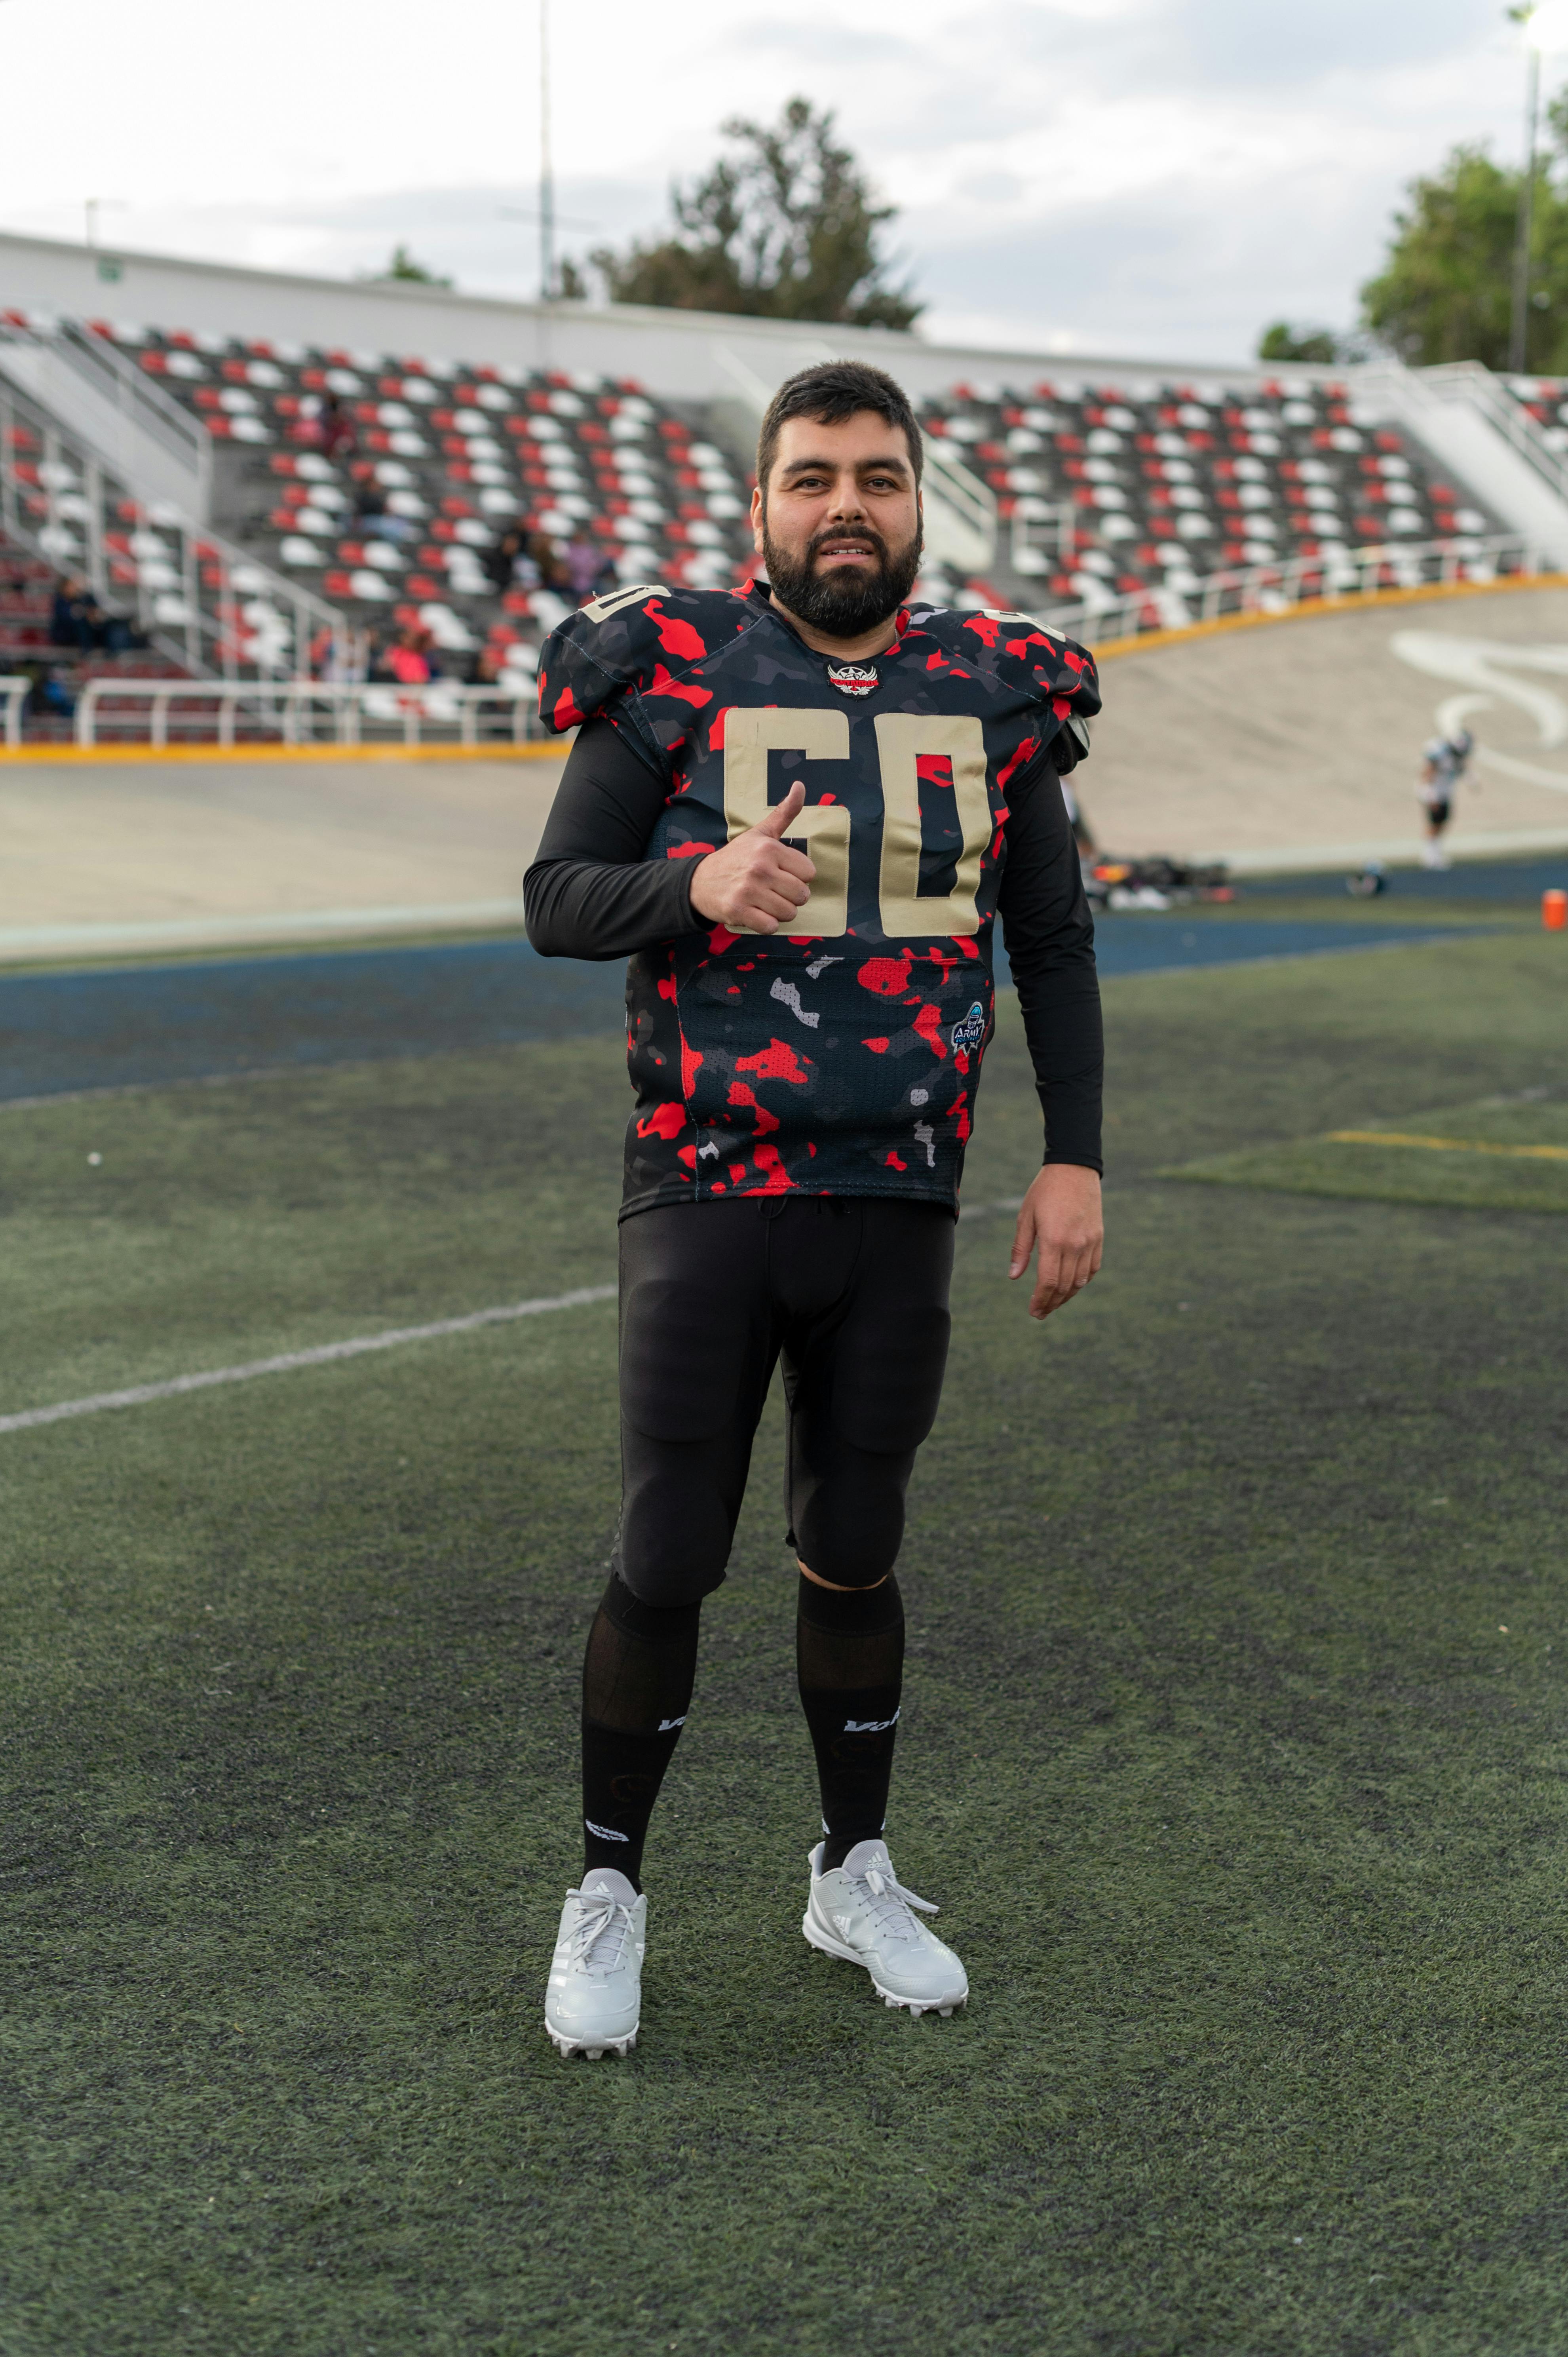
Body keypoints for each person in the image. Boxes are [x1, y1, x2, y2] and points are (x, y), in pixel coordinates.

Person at [524, 359, 1104, 2060]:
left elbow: (1051, 941)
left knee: (854, 1538)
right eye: (808, 477)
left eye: (873, 474)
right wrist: (688, 879)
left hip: (899, 1188)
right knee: (669, 1547)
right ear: (759, 504)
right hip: (707, 1178)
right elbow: (558, 896)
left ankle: (848, 1864)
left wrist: (1072, 1149)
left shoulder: (995, 687)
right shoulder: (669, 666)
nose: (842, 503)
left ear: (916, 499)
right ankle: (607, 1882)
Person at [1417, 728, 1474, 869]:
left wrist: (1471, 781)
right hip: (1433, 791)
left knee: (1443, 821)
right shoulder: (1439, 750)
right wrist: (1430, 796)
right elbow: (1428, 772)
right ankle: (1429, 856)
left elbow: (1460, 768)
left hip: (1444, 791)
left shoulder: (1455, 755)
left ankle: (1435, 853)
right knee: (1435, 822)